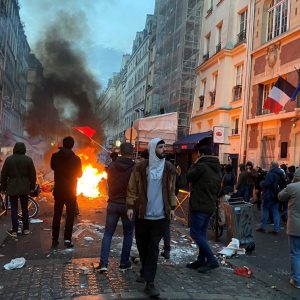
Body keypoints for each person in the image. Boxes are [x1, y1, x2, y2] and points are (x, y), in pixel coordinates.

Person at [126, 138, 177, 298]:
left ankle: (150, 283)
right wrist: (129, 206)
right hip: (142, 214)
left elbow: (171, 190)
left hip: (160, 216)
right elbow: (132, 187)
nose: (164, 150)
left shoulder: (169, 168)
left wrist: (173, 207)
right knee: (142, 246)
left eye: (164, 147)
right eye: (160, 147)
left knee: (153, 248)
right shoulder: (140, 167)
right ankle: (143, 271)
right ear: (153, 148)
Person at [96, 142, 135, 273]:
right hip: (128, 206)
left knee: (108, 233)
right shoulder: (134, 167)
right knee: (128, 234)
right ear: (132, 152)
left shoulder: (112, 166)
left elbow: (108, 183)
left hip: (113, 203)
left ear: (120, 152)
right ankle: (124, 263)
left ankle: (103, 263)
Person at [186, 141, 222, 273]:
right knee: (201, 234)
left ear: (201, 154)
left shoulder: (201, 166)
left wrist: (195, 164)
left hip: (200, 204)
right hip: (210, 204)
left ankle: (211, 260)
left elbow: (188, 176)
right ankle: (201, 260)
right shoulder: (216, 167)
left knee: (195, 234)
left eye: (197, 154)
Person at [51, 136, 82, 248]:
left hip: (58, 190)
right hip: (71, 191)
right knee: (70, 216)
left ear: (63, 144)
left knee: (57, 215)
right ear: (72, 145)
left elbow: (53, 167)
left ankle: (54, 240)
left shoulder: (54, 156)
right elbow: (79, 174)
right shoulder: (76, 159)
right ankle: (67, 240)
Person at [1, 142, 36, 237]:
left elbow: (3, 175)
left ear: (14, 149)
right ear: (24, 149)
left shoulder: (9, 160)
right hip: (24, 187)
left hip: (12, 187)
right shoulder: (28, 160)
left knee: (14, 208)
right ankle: (26, 229)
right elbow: (33, 175)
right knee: (25, 208)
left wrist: (3, 188)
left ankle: (15, 230)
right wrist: (32, 187)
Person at [278, 167, 300, 289]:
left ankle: (297, 279)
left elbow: (280, 196)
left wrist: (292, 183)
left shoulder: (292, 187)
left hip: (295, 227)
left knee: (296, 253)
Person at [256, 161, 283, 234]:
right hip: (277, 194)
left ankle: (263, 227)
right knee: (275, 212)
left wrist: (261, 183)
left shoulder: (271, 174)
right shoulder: (281, 173)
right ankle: (276, 229)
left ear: (272, 166)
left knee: (265, 210)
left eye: (270, 165)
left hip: (269, 195)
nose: (269, 166)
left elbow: (266, 184)